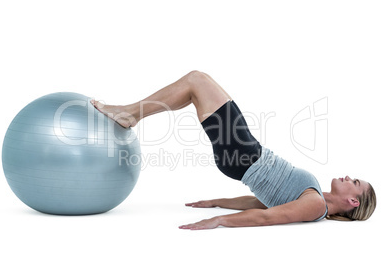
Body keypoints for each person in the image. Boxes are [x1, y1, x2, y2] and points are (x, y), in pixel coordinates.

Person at [91, 70, 376, 230]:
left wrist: (220, 221)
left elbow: (268, 218)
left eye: (355, 183)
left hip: (245, 154)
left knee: (197, 80)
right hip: (246, 153)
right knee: (194, 88)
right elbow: (261, 203)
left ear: (352, 202)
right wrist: (218, 201)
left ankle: (130, 114)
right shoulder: (314, 199)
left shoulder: (316, 205)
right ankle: (131, 114)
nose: (349, 177)